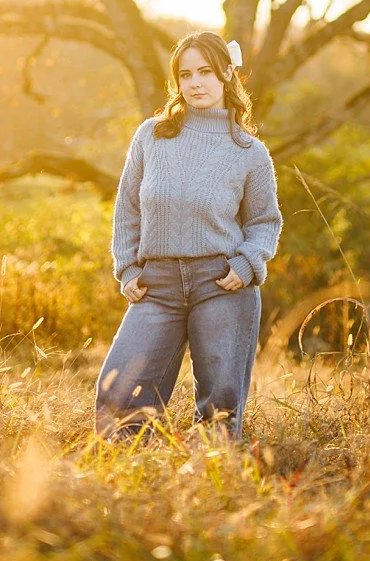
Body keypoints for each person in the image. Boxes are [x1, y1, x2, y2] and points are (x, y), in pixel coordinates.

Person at [93, 30, 283, 446]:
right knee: (118, 393)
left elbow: (264, 222)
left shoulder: (249, 152)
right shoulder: (152, 135)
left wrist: (247, 264)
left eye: (205, 72)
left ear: (227, 73)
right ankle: (130, 488)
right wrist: (126, 268)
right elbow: (128, 209)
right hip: (156, 285)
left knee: (220, 404)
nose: (195, 82)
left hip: (221, 283)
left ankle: (208, 489)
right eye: (185, 74)